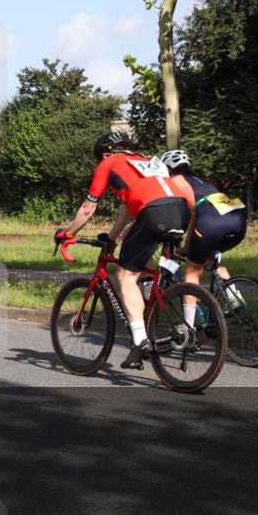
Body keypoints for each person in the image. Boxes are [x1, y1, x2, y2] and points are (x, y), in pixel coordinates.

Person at [56, 131, 195, 369]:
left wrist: (69, 233)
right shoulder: (144, 160)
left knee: (125, 275)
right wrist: (111, 238)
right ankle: (151, 304)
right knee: (139, 257)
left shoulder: (109, 163)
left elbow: (89, 208)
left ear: (105, 153)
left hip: (154, 212)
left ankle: (141, 340)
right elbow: (130, 211)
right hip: (180, 211)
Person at [161, 149, 248, 307]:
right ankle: (235, 300)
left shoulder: (174, 182)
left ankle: (188, 325)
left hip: (212, 223)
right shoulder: (201, 181)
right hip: (238, 220)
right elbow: (197, 216)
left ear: (168, 169)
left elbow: (174, 214)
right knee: (210, 256)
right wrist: (188, 247)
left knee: (192, 272)